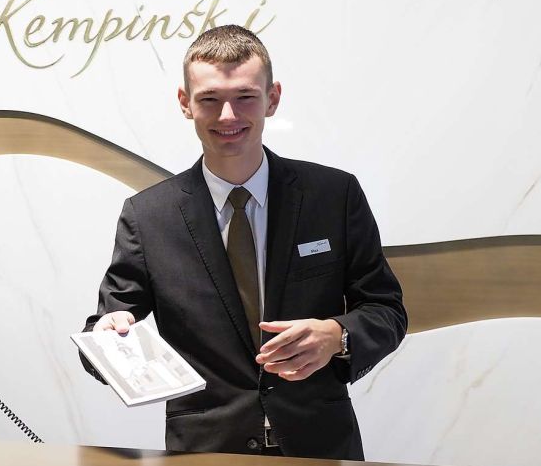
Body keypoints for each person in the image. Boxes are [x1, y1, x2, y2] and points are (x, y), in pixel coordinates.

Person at [81, 25, 406, 460]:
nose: (228, 116)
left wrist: (336, 335)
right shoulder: (147, 216)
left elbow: (386, 310)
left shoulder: (334, 195)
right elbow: (107, 328)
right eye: (210, 100)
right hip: (204, 452)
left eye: (245, 97)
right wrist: (108, 338)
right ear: (185, 103)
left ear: (273, 98)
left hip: (321, 446)